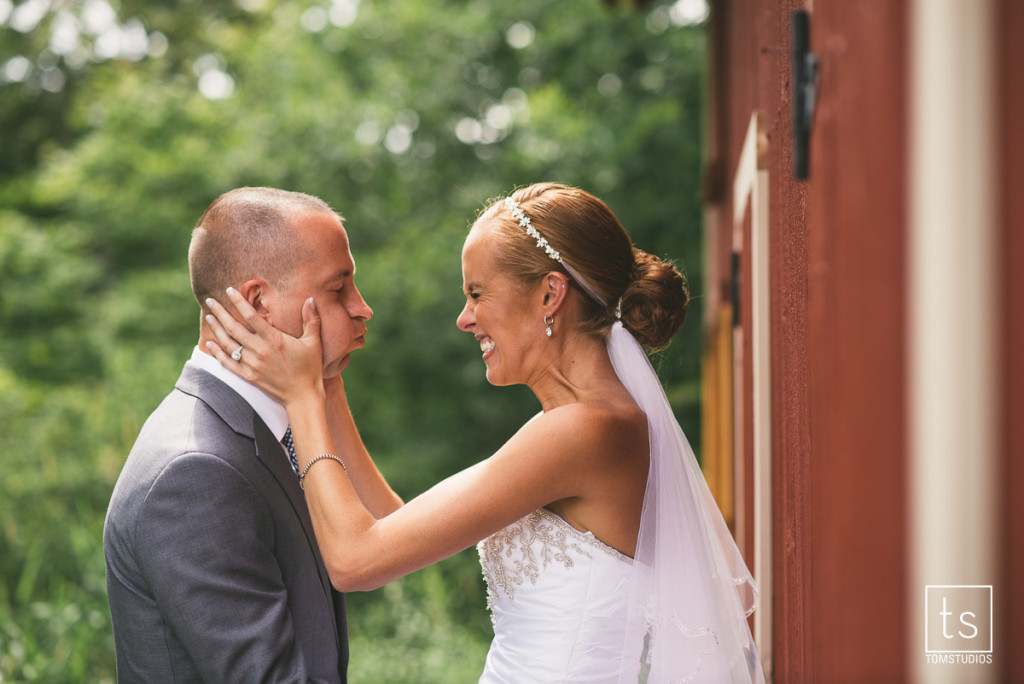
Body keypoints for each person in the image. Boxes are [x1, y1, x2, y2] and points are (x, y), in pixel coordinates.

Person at [205, 182, 764, 683]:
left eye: (476, 293)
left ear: (549, 295)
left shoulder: (586, 431)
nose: (464, 318)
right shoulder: (571, 426)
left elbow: (355, 562)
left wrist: (300, 399)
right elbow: (389, 525)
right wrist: (328, 390)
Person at [103, 187, 401, 682]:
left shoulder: (262, 429)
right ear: (259, 302)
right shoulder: (196, 472)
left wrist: (323, 385)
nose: (362, 307)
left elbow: (388, 535)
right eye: (338, 288)